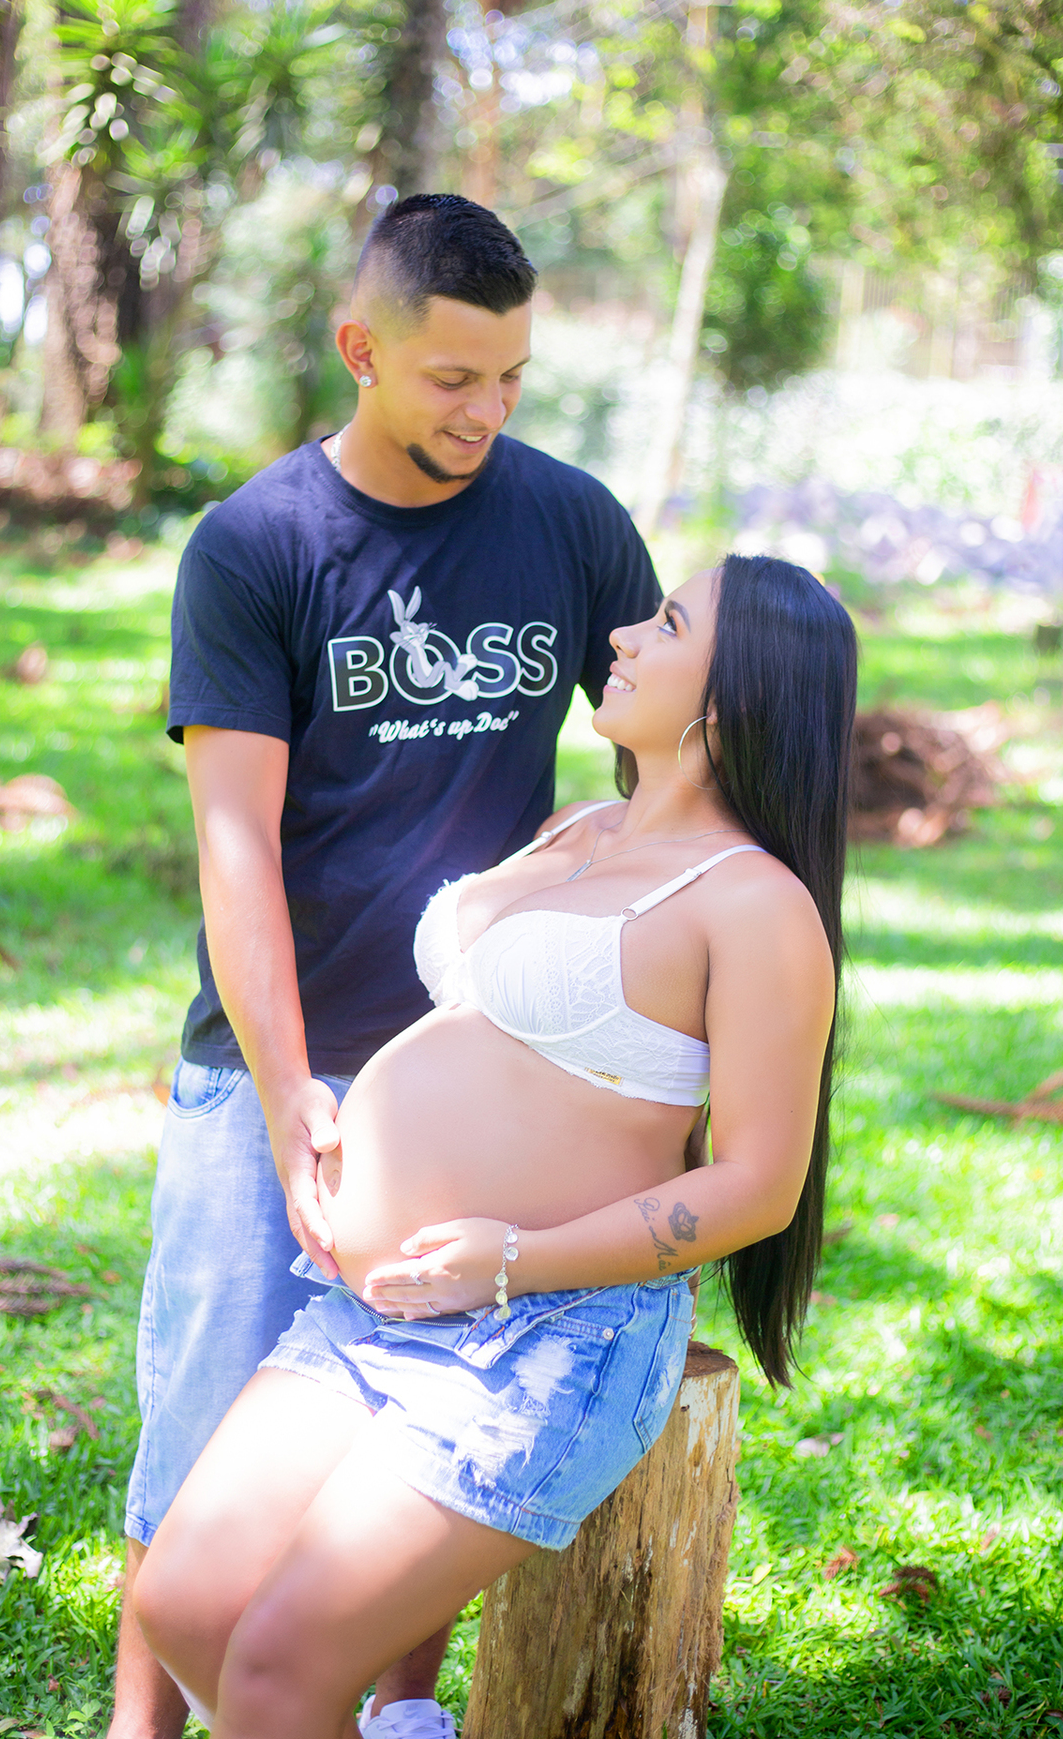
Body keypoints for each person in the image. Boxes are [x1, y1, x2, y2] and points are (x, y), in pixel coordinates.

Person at [133, 554, 858, 1739]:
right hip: (380, 1305)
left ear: (731, 702)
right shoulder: (582, 825)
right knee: (187, 1604)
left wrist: (514, 1258)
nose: (623, 635)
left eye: (667, 623)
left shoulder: (755, 906)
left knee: (272, 1670)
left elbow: (759, 1186)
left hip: (540, 1343)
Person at [110, 194, 662, 1739]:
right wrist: (291, 1102)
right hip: (265, 1069)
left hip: (474, 1086)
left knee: (413, 1442)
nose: (485, 414)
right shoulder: (258, 545)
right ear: (362, 348)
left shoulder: (567, 522)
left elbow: (669, 755)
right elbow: (237, 850)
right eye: (450, 380)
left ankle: (373, 1722)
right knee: (203, 1434)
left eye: (509, 381)